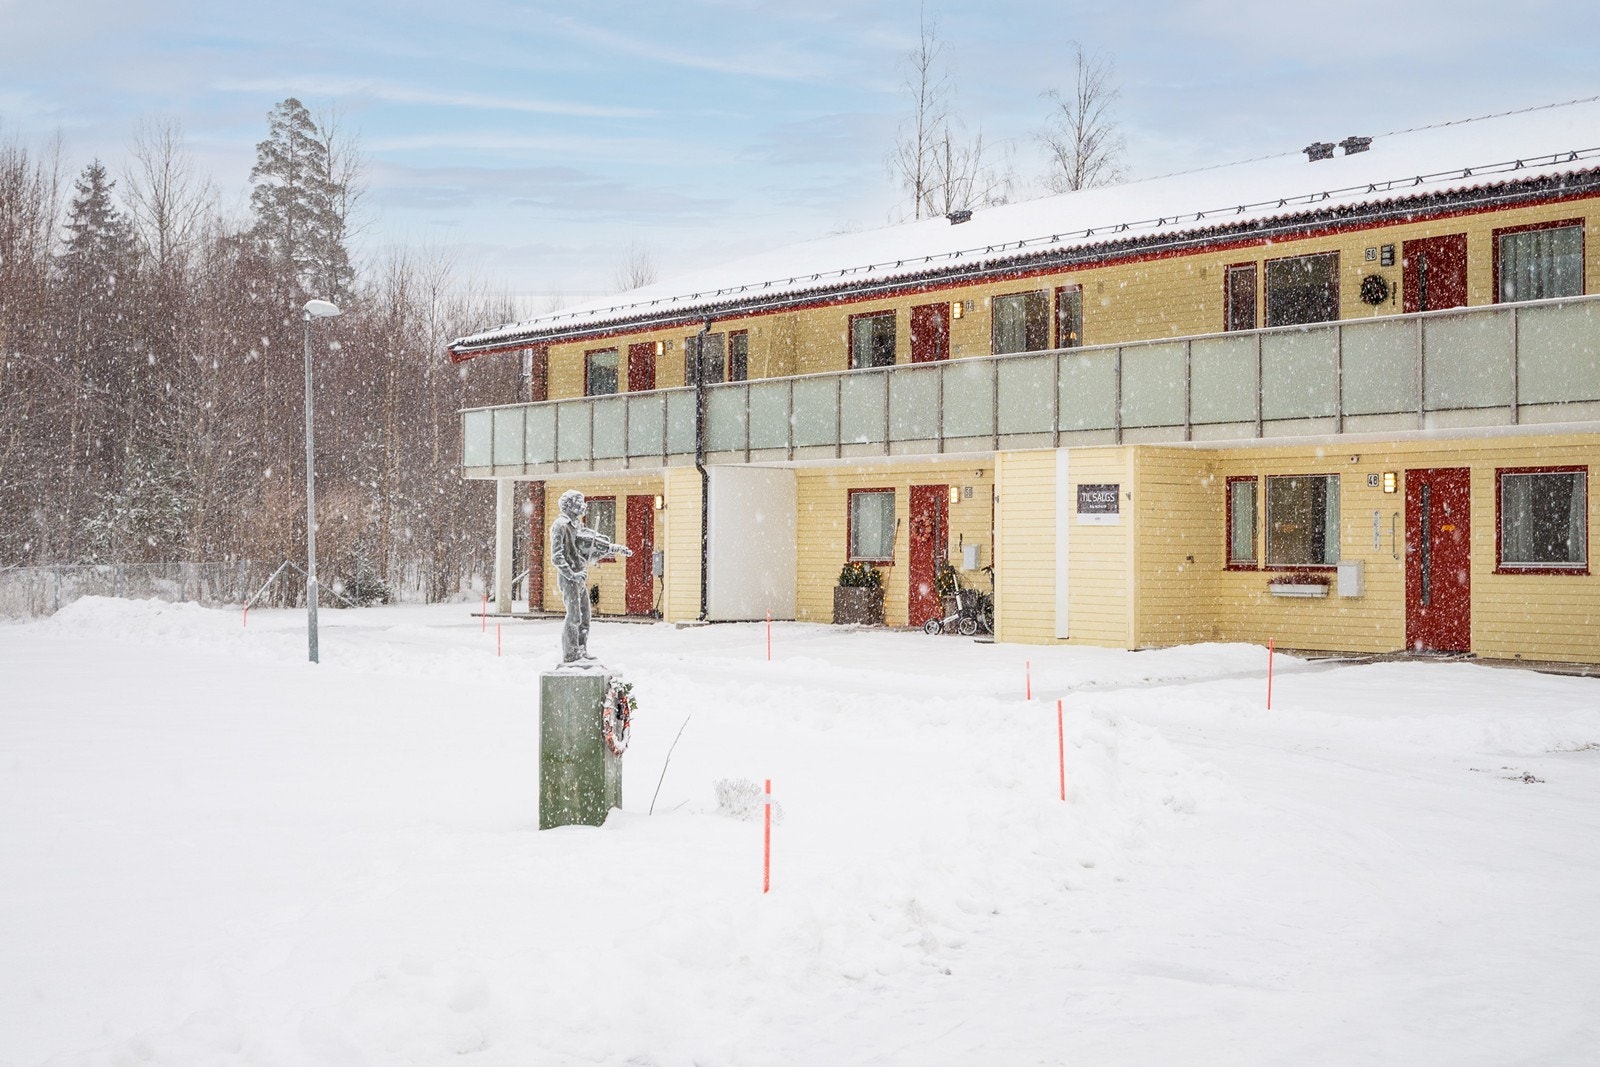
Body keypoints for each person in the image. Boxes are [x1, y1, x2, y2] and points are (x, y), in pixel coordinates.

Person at [550, 489, 632, 664]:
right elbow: (557, 556)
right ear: (569, 505)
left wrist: (614, 548)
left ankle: (581, 649)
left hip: (580, 577)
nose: (583, 505)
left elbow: (590, 545)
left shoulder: (578, 526)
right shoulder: (560, 525)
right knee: (574, 616)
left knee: (585, 616)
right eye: (578, 502)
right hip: (570, 578)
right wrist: (572, 574)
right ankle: (571, 654)